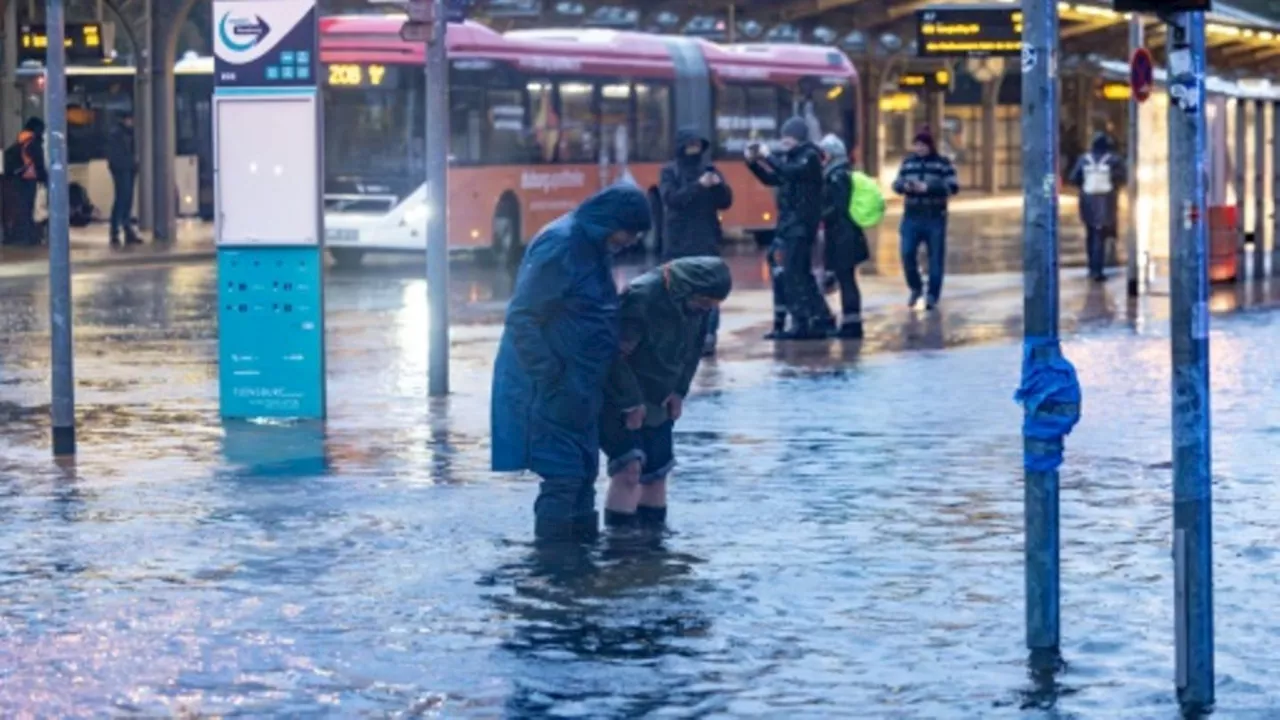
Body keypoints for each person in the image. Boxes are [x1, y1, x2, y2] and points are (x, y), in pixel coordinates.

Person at [491, 184, 653, 542]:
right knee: (563, 479)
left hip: (581, 388)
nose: (631, 241)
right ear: (613, 221)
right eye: (630, 231)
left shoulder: (594, 247)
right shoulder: (561, 244)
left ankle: (579, 576)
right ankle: (553, 572)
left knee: (582, 478)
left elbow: (597, 320)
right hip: (551, 388)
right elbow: (522, 318)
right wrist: (552, 377)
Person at [599, 256, 732, 530]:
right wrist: (630, 402)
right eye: (704, 302)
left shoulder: (698, 307)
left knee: (658, 472)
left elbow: (694, 350)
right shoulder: (643, 297)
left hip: (660, 396)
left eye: (712, 304)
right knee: (629, 469)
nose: (707, 309)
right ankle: (620, 546)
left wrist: (679, 391)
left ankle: (654, 544)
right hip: (621, 397)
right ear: (687, 290)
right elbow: (613, 356)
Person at [746, 117, 833, 340]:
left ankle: (803, 322)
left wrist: (767, 156)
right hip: (788, 224)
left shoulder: (810, 157)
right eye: (783, 136)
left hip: (802, 225)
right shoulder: (792, 159)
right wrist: (753, 163)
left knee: (794, 273)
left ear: (798, 137)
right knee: (798, 273)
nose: (784, 141)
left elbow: (789, 172)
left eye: (789, 137)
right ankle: (819, 317)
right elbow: (772, 178)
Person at [660, 127, 733, 356]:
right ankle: (681, 335)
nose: (694, 150)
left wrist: (717, 185)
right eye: (690, 145)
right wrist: (698, 186)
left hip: (706, 238)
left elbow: (726, 201)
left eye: (698, 145)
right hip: (678, 241)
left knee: (708, 290)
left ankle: (708, 335)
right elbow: (672, 199)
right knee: (678, 291)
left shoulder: (710, 170)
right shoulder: (670, 171)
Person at [892, 127, 959, 310]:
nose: (920, 148)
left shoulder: (942, 164)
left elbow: (953, 186)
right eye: (917, 145)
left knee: (935, 258)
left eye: (923, 145)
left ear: (930, 146)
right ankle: (915, 288)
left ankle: (932, 295)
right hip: (911, 216)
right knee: (907, 253)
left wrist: (928, 187)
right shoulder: (908, 163)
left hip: (935, 217)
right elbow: (896, 184)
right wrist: (905, 186)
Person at [818, 134, 870, 339]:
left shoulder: (837, 175)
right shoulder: (841, 172)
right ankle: (851, 322)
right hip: (847, 235)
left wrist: (818, 215)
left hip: (843, 236)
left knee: (846, 279)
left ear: (830, 154)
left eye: (823, 153)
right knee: (846, 279)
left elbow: (838, 207)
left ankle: (852, 325)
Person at [1068, 132, 1127, 282]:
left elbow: (1074, 178)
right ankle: (1098, 270)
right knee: (1100, 235)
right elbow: (1122, 178)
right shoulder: (1113, 160)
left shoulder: (1084, 159)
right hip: (1106, 201)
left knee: (1091, 233)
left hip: (1087, 201)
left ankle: (1092, 267)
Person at [3, 117, 47, 247]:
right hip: (29, 179)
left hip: (17, 178)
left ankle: (21, 236)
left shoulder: (21, 140)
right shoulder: (33, 142)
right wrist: (45, 178)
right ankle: (29, 237)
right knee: (29, 209)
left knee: (21, 208)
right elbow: (38, 162)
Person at [107, 111, 142, 246]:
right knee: (122, 199)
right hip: (123, 169)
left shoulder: (125, 133)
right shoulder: (119, 134)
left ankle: (124, 230)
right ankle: (118, 231)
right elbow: (120, 153)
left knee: (125, 199)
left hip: (126, 169)